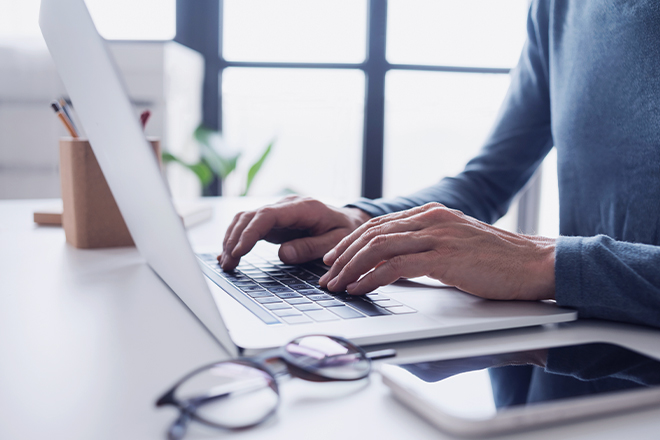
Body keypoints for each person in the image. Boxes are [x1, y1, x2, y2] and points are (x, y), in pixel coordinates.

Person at [219, 0, 660, 329]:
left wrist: (544, 264)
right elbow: (485, 182)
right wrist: (364, 220)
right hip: (579, 356)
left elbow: (542, 259)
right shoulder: (559, 8)